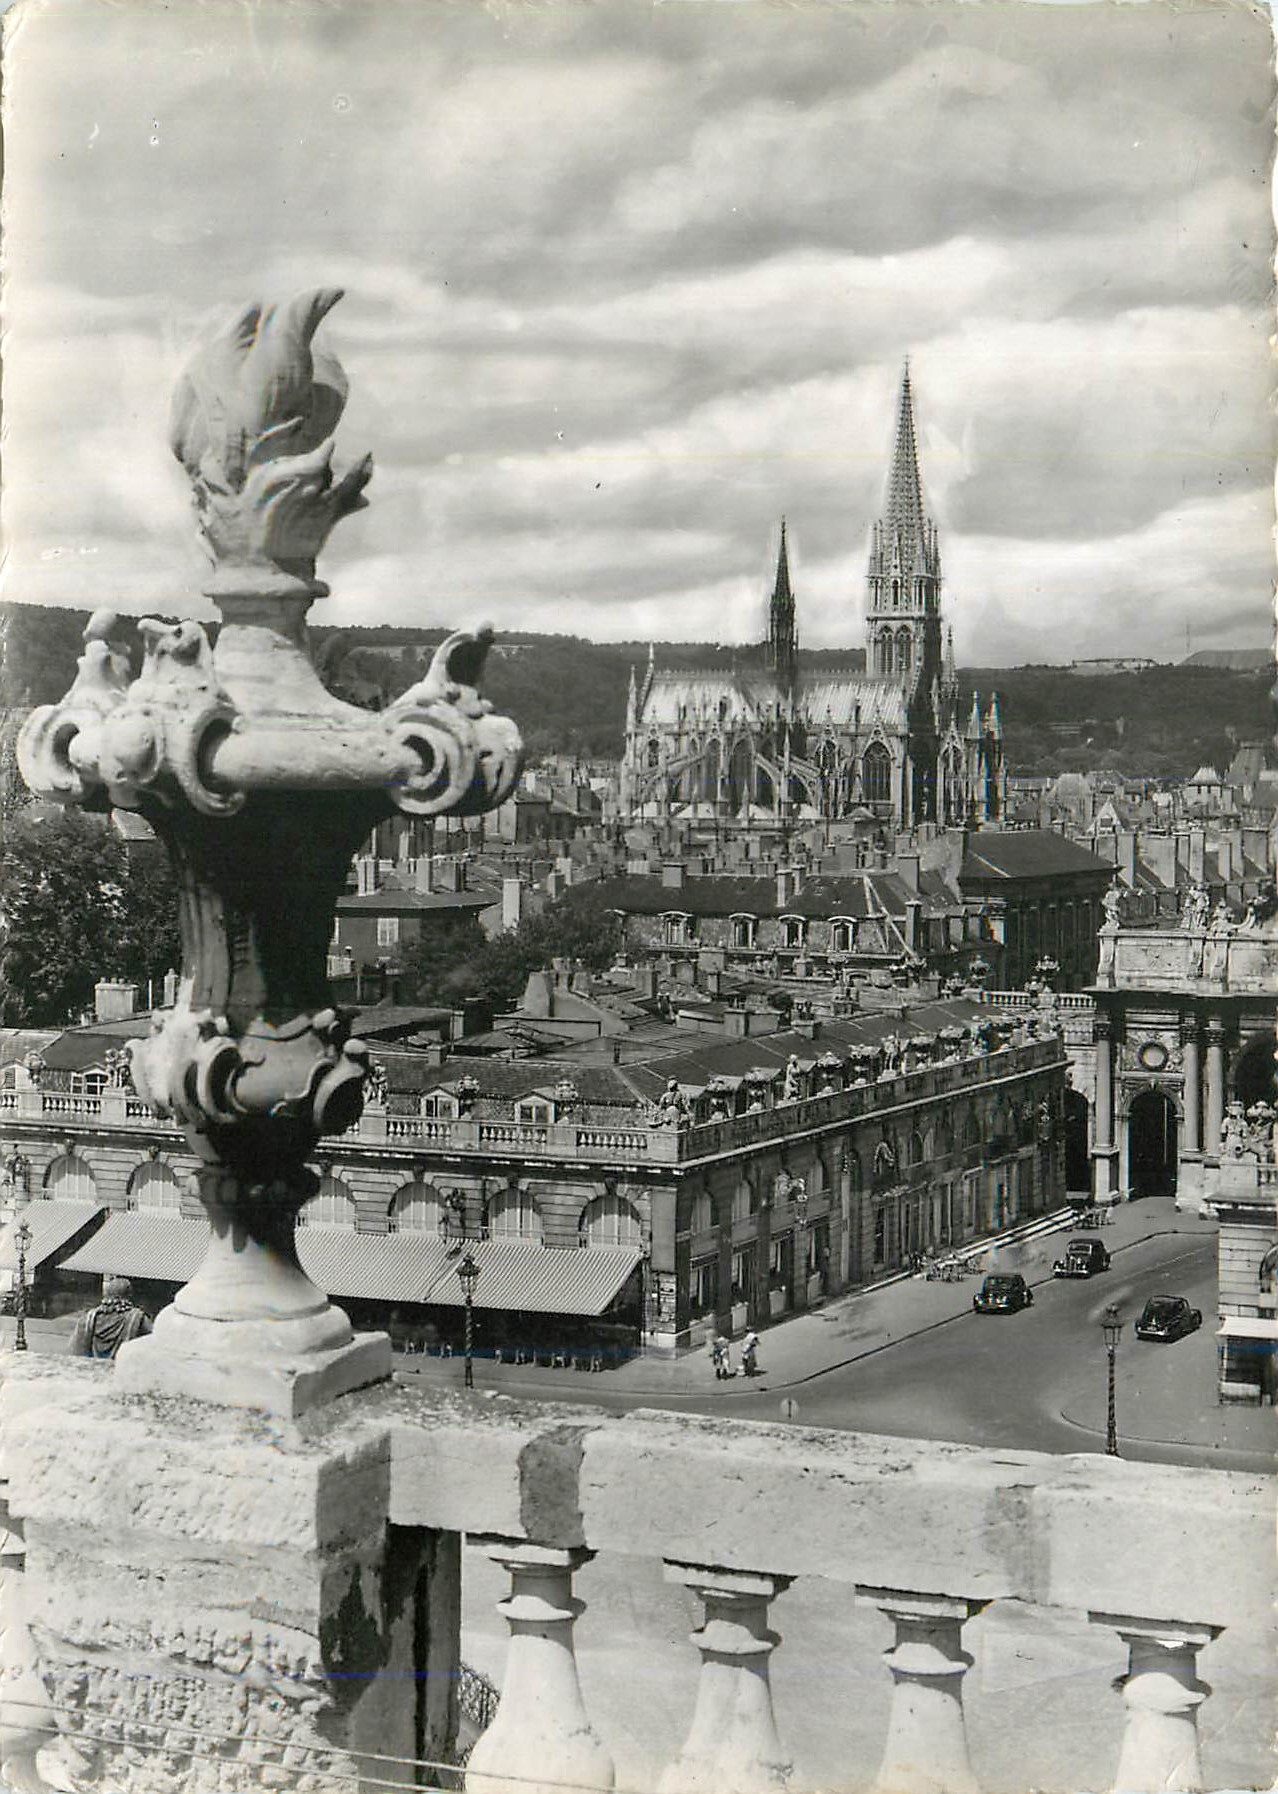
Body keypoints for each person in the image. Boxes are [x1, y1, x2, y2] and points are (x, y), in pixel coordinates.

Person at [69, 1277, 152, 1360]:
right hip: (121, 1367)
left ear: (107, 1293)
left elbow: (76, 1350)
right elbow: (153, 1341)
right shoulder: (137, 1317)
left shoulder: (88, 1318)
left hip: (92, 1368)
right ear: (129, 1294)